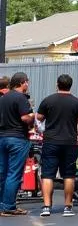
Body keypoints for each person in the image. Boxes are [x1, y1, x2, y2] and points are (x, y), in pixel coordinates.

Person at [35, 74, 78, 218]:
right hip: (69, 143)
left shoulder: (48, 100)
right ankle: (68, 207)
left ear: (57, 84)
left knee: (47, 175)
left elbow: (39, 118)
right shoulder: (77, 103)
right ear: (71, 85)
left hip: (50, 142)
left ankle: (46, 207)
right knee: (69, 175)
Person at [0, 72, 34, 216]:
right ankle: (8, 206)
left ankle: (4, 204)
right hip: (18, 138)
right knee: (14, 174)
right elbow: (25, 118)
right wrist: (32, 117)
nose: (27, 84)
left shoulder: (3, 98)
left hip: (2, 138)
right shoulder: (21, 98)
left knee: (3, 173)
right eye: (27, 82)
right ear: (22, 82)